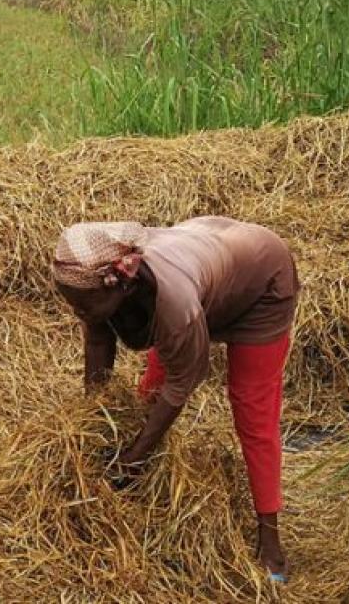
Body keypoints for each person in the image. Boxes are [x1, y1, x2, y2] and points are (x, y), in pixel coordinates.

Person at [51, 216, 299, 582]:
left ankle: (270, 538)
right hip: (208, 267)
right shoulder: (99, 281)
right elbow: (98, 340)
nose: (79, 314)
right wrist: (94, 423)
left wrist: (134, 459)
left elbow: (183, 383)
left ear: (120, 286)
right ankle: (139, 483)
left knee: (252, 413)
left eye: (84, 307)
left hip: (260, 283)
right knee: (149, 394)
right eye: (73, 306)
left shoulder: (172, 301)